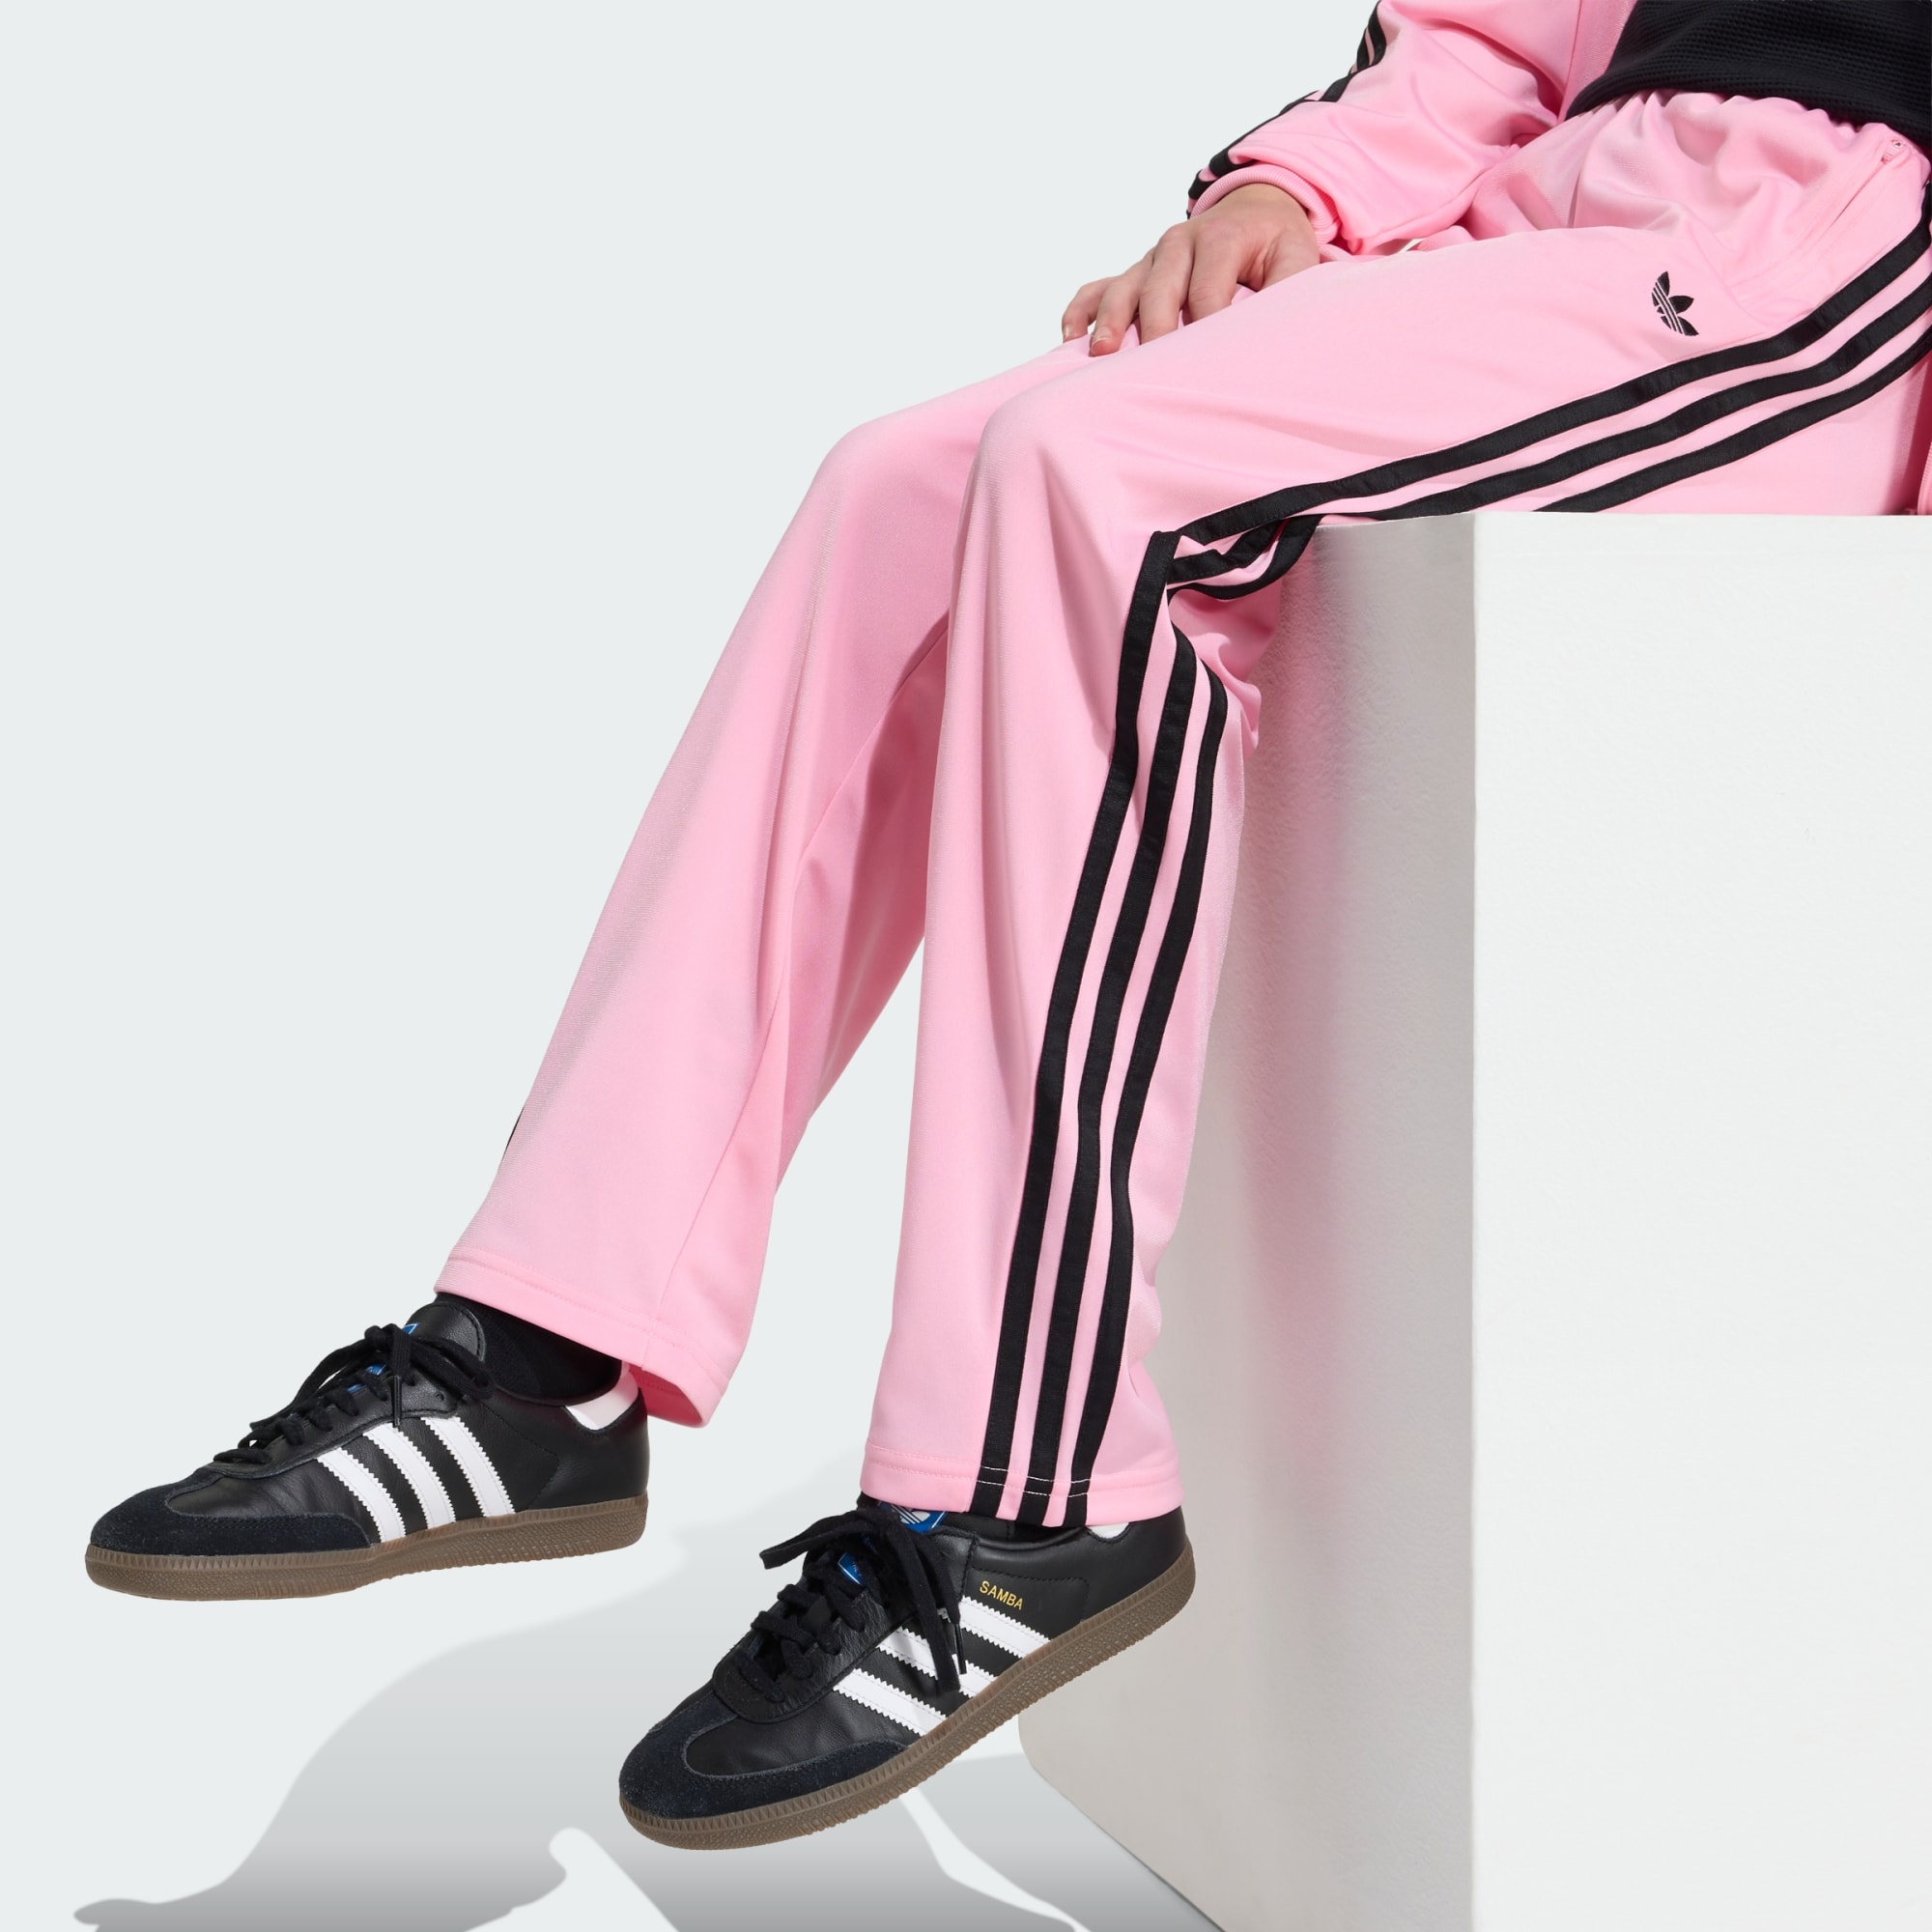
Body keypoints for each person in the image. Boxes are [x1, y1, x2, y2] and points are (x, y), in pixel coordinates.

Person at [86, 0, 1930, 1850]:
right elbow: (1497, 33)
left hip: (1814, 248)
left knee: (1097, 481)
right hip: (1564, 199)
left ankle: (1030, 1489)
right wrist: (1304, 187)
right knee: (898, 483)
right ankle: (548, 1344)